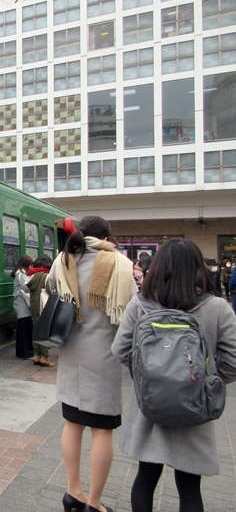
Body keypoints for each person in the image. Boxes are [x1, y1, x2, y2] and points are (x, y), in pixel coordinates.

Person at [112, 239, 236, 512]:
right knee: (190, 487)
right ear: (197, 268)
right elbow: (233, 361)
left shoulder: (141, 304)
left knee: (145, 477)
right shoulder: (217, 308)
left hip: (149, 408)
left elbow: (120, 350)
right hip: (194, 411)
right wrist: (205, 384)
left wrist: (149, 379)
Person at [47, 216, 136, 512]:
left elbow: (51, 289)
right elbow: (132, 308)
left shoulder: (62, 260)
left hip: (71, 352)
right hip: (105, 355)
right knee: (102, 430)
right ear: (108, 236)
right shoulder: (120, 264)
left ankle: (73, 492)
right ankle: (94, 503)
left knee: (72, 423)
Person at [26, 254, 56, 367]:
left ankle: (36, 355)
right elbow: (50, 290)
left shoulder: (31, 275)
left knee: (36, 330)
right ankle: (45, 357)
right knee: (44, 332)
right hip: (43, 306)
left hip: (33, 305)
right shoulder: (45, 276)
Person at [12, 255, 34, 360]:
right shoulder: (21, 274)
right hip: (22, 305)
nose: (31, 266)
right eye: (30, 264)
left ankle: (22, 351)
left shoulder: (20, 273)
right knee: (24, 329)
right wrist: (33, 283)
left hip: (22, 304)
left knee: (23, 329)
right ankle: (25, 352)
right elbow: (25, 287)